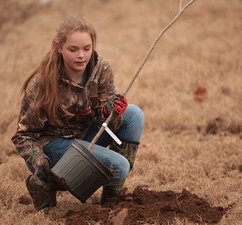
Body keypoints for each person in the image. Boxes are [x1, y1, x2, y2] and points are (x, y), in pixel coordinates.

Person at [11, 15, 144, 211]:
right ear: (59, 46)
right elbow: (24, 135)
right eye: (73, 49)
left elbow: (110, 123)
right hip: (52, 148)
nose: (81, 55)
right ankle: (47, 182)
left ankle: (112, 198)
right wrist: (39, 160)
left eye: (87, 48)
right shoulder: (42, 82)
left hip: (86, 137)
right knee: (120, 167)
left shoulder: (102, 69)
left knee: (134, 114)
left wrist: (111, 111)